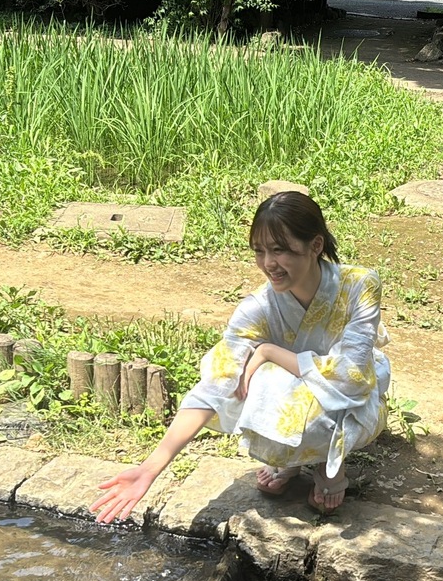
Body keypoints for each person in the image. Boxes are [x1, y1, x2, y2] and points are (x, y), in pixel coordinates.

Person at [90, 191, 391, 524]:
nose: (268, 264)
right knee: (252, 379)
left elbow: (350, 377)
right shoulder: (258, 308)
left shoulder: (359, 285)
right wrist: (150, 468)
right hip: (299, 397)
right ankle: (289, 461)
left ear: (315, 245)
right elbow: (213, 388)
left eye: (279, 250)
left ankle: (327, 464)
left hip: (348, 401)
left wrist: (269, 351)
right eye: (260, 251)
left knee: (287, 375)